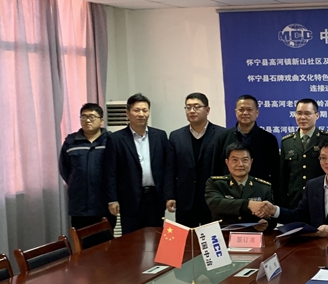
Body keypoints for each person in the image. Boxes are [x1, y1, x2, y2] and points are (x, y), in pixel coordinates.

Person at [258, 136, 328, 237]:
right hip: (316, 246)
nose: (327, 162)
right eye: (323, 158)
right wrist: (275, 211)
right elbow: (299, 216)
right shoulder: (312, 186)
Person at [104, 93, 173, 234]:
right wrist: (112, 200)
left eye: (145, 110)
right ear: (128, 113)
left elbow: (168, 168)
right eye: (136, 110)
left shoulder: (160, 136)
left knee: (156, 237)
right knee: (132, 239)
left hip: (155, 198)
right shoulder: (116, 139)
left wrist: (169, 195)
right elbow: (110, 172)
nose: (141, 114)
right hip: (129, 199)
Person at [167, 93, 225, 227]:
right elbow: (170, 169)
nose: (192, 111)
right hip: (185, 199)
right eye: (188, 107)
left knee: (212, 238)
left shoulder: (222, 134)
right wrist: (170, 196)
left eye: (197, 107)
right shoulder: (176, 136)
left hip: (213, 199)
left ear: (207, 110)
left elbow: (225, 168)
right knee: (187, 239)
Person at [59, 103, 116, 230]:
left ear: (101, 120)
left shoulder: (111, 140)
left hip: (105, 203)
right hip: (80, 205)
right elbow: (64, 169)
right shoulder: (71, 142)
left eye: (92, 117)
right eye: (84, 117)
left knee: (107, 240)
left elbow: (118, 170)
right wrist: (76, 182)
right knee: (81, 240)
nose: (87, 120)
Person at [211, 94, 279, 189]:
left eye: (249, 110)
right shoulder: (222, 138)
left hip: (259, 192)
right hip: (229, 192)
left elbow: (276, 172)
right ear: (236, 112)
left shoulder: (269, 139)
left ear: (257, 113)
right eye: (241, 110)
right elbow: (216, 170)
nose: (245, 113)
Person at [205, 142, 274, 231]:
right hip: (224, 235)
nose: (240, 164)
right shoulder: (216, 183)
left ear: (251, 162)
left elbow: (271, 216)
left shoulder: (263, 187)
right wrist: (248, 204)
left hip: (252, 235)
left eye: (245, 160)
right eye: (235, 160)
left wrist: (266, 223)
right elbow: (215, 204)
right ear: (227, 162)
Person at [279, 98, 328, 209]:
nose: (302, 117)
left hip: (321, 199)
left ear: (317, 115)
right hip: (294, 201)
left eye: (307, 113)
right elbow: (283, 177)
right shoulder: (287, 142)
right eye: (299, 113)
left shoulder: (327, 139)